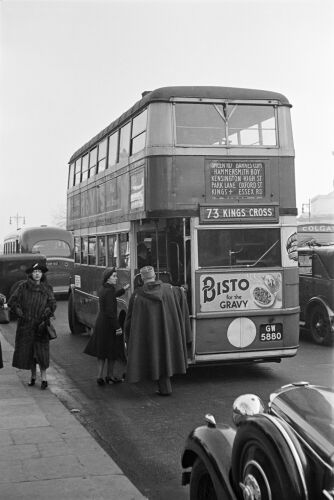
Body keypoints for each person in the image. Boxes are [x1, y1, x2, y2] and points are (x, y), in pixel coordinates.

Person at [124, 265, 191, 396]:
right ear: (155, 276)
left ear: (142, 278)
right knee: (165, 354)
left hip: (149, 334)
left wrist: (128, 335)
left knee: (153, 355)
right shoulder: (169, 289)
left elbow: (130, 319)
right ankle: (165, 387)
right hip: (167, 332)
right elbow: (180, 292)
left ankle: (163, 387)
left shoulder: (137, 295)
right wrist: (184, 288)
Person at [7, 262, 57, 389]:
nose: (37, 274)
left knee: (42, 353)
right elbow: (12, 301)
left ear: (42, 274)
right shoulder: (23, 287)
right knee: (29, 353)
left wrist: (46, 314)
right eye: (35, 272)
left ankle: (44, 379)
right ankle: (33, 377)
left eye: (39, 272)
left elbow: (52, 304)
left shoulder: (47, 288)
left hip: (41, 326)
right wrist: (20, 313)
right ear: (31, 274)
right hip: (26, 326)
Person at [83, 267, 130, 385]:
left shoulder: (104, 289)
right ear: (108, 278)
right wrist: (117, 327)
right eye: (114, 276)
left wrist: (123, 290)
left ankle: (100, 377)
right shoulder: (109, 291)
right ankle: (110, 376)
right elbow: (110, 312)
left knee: (102, 352)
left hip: (101, 323)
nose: (116, 278)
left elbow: (113, 295)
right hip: (109, 325)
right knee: (112, 351)